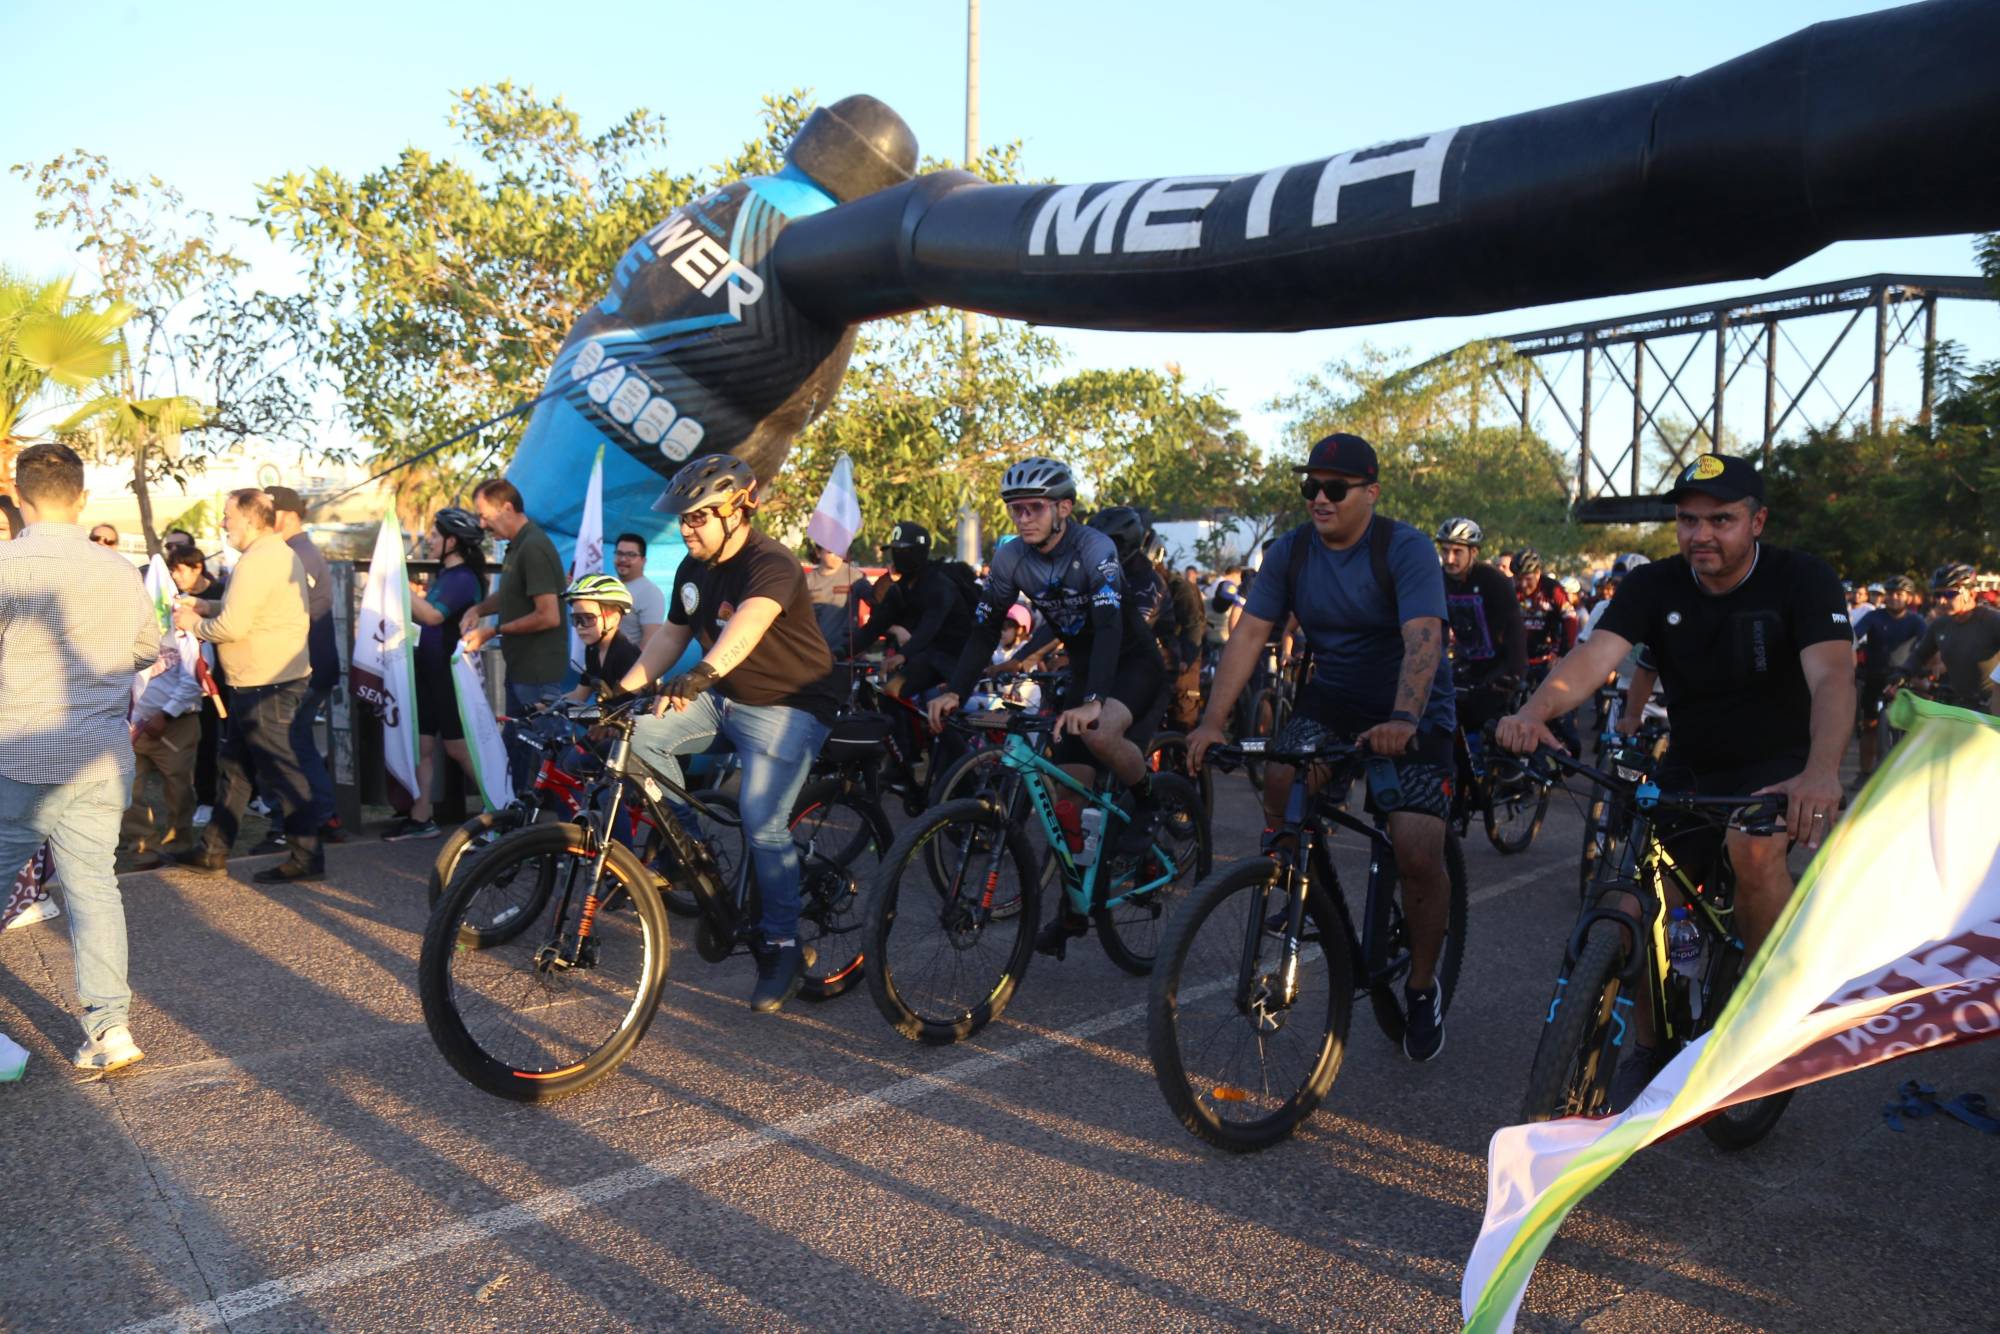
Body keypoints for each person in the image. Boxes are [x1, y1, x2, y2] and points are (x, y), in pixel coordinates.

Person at [1496, 453, 1853, 1106]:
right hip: (1692, 761)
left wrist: (1821, 773)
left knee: (1753, 850)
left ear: (1757, 521)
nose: (1701, 534)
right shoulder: (1654, 585)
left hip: (1780, 764)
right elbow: (1594, 659)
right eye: (1689, 521)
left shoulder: (1802, 578)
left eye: (1721, 520)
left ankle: (1766, 999)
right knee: (1634, 897)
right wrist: (1532, 713)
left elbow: (1832, 677)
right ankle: (1650, 1046)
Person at [1188, 432, 1457, 1062]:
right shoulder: (1292, 551)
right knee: (1282, 781)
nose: (1319, 497)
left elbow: (1424, 639)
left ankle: (1422, 986)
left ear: (1371, 492)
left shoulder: (1405, 548)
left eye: (1335, 488)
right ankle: (1302, 886)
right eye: (1310, 486)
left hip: (1413, 705)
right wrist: (1212, 722)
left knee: (1417, 849)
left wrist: (1402, 719)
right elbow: (1249, 635)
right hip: (1333, 698)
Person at [614, 455, 838, 1013]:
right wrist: (617, 693)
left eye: (698, 517)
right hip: (726, 698)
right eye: (683, 519)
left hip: (790, 704)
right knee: (638, 738)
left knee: (763, 822)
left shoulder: (771, 563)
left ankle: (783, 947)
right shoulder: (693, 568)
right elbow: (670, 636)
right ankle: (691, 853)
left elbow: (748, 623)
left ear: (737, 511)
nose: (687, 529)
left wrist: (701, 674)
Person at [929, 457, 1167, 958]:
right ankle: (1074, 909)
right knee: (1066, 806)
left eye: (1034, 508)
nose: (1023, 519)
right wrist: (955, 689)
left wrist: (1094, 701)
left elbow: (1108, 627)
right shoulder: (1012, 556)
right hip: (1084, 668)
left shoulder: (1095, 548)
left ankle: (1149, 801)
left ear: (1063, 508)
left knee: (1100, 734)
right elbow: (984, 628)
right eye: (1015, 510)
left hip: (1131, 661)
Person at [0, 443, 161, 1072]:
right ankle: (110, 1030)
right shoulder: (117, 569)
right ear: (83, 497)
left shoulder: (7, 566)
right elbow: (145, 649)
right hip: (99, 754)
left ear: (18, 497)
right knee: (94, 889)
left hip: (21, 754)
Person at [172, 488, 323, 884]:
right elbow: (248, 611)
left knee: (280, 771)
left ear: (250, 519)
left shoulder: (257, 561)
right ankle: (213, 850)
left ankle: (307, 856)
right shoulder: (275, 554)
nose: (223, 523)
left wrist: (194, 624)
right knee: (236, 769)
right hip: (264, 680)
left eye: (228, 516)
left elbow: (233, 627)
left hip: (265, 683)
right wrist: (207, 606)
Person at [389, 508, 489, 842]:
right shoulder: (446, 575)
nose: (430, 540)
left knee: (458, 749)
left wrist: (399, 584)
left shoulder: (463, 578)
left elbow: (432, 616)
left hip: (449, 673)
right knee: (422, 745)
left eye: (435, 535)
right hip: (429, 669)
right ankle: (421, 818)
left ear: (452, 541)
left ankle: (502, 809)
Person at [117, 588, 215, 872]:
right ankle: (143, 848)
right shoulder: (127, 629)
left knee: (178, 788)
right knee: (127, 789)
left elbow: (195, 678)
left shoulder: (185, 631)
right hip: (135, 724)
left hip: (176, 725)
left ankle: (178, 845)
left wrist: (166, 713)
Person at [265, 487, 343, 846]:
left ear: (287, 514)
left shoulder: (298, 554)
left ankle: (310, 819)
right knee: (295, 741)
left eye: (268, 513)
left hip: (305, 667)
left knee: (288, 743)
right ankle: (319, 816)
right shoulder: (295, 551)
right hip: (307, 665)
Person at [459, 478, 568, 718]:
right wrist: (478, 610)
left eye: (485, 516)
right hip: (520, 672)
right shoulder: (517, 545)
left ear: (507, 508)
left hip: (537, 677)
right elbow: (511, 593)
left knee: (537, 740)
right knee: (514, 739)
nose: (482, 524)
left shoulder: (533, 546)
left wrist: (492, 631)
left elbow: (548, 616)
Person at [1434, 516, 1526, 746]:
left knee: (1492, 736)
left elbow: (1515, 630)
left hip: (1498, 667)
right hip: (1465, 665)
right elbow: (1435, 627)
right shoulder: (1438, 579)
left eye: (1457, 552)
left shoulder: (1494, 580)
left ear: (1473, 552)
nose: (1449, 559)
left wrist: (1514, 674)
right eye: (1445, 551)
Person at [853, 521, 974, 694]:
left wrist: (903, 655)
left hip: (953, 661)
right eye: (894, 551)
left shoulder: (940, 586)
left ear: (918, 552)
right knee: (879, 691)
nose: (897, 557)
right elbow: (873, 628)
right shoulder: (899, 589)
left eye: (903, 552)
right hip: (921, 657)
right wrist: (838, 652)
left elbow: (929, 628)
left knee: (894, 689)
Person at [167, 544, 228, 827]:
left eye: (180, 570)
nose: (175, 576)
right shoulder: (176, 599)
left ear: (197, 567)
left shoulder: (220, 593)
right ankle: (205, 799)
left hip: (226, 677)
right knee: (204, 742)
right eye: (172, 570)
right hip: (194, 680)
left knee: (234, 741)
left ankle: (254, 794)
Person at [1852, 574, 1926, 782]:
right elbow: (1854, 636)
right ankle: (1865, 773)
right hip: (1874, 677)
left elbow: (1927, 647)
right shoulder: (1874, 617)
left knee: (1908, 728)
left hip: (1903, 679)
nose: (1894, 597)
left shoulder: (1916, 621)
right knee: (1869, 727)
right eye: (1891, 593)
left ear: (1909, 597)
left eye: (1899, 594)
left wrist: (1927, 669)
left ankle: (1905, 777)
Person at [1907, 563, 2000, 713]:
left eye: (1950, 594)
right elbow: (1919, 655)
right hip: (1958, 707)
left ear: (1971, 593)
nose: (1941, 601)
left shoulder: (1992, 620)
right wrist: (1902, 673)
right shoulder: (1940, 624)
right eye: (1937, 595)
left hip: (1990, 709)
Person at [553, 575, 642, 704]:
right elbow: (578, 696)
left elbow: (630, 708)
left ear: (614, 618)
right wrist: (547, 707)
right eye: (576, 619)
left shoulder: (625, 654)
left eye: (589, 618)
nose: (580, 626)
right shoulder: (593, 650)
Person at [803, 538, 866, 658]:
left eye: (840, 551)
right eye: (831, 552)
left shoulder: (855, 576)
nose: (837, 556)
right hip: (816, 652)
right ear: (818, 552)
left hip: (846, 653)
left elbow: (876, 600)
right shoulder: (807, 581)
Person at [611, 532, 667, 649]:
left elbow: (649, 642)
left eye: (631, 555)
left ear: (643, 560)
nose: (623, 559)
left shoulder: (651, 593)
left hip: (628, 659)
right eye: (619, 553)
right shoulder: (608, 585)